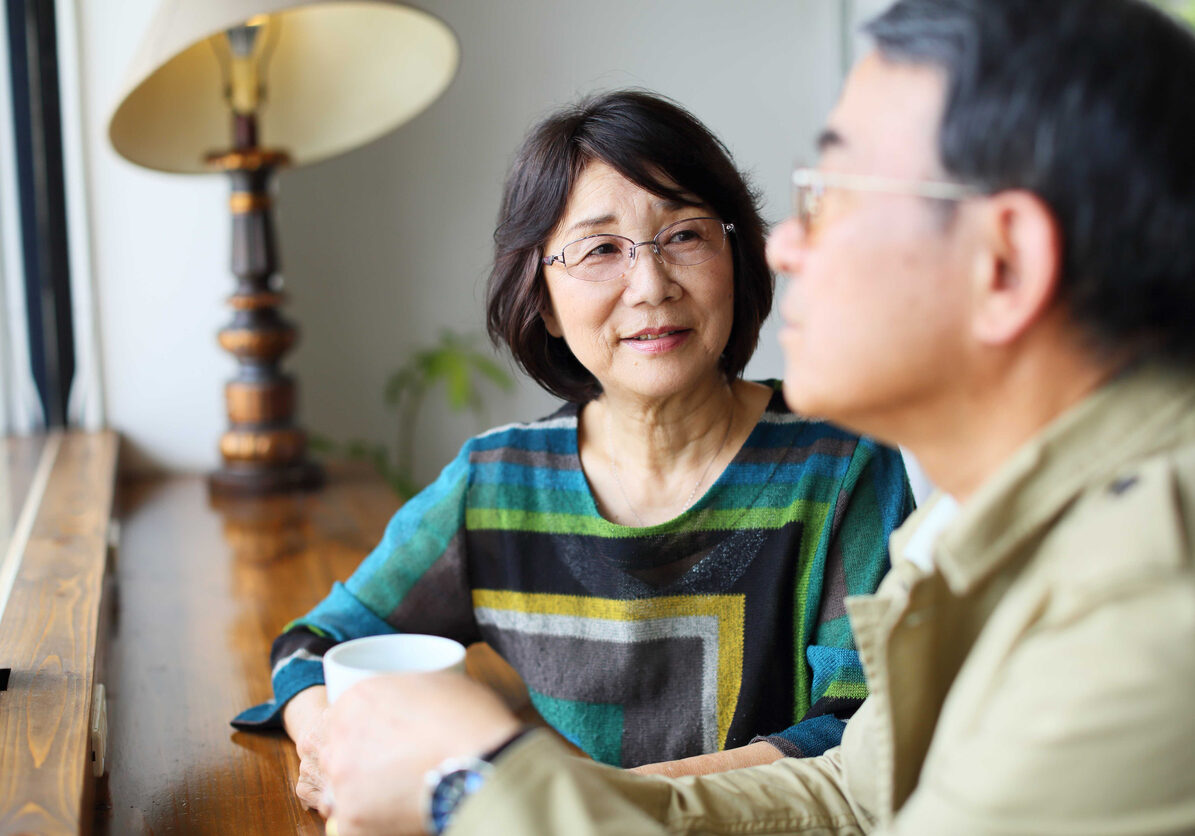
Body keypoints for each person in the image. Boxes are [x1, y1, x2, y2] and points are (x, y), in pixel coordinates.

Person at [311, 1, 1195, 834]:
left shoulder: (1144, 613)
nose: (783, 243)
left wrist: (470, 785)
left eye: (835, 194)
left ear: (1002, 264)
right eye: (601, 251)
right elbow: (852, 791)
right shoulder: (983, 525)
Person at [232, 90, 913, 807]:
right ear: (543, 301)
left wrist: (583, 801)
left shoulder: (843, 464)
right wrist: (322, 742)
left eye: (683, 234)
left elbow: (864, 733)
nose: (649, 285)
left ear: (735, 256)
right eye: (600, 250)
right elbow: (313, 645)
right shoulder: (497, 487)